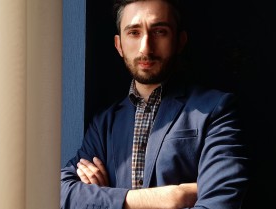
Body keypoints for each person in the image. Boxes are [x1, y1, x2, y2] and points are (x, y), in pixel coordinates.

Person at [61, 0, 249, 208]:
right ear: (119, 45)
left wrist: (105, 200)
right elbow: (59, 193)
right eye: (134, 32)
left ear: (180, 41)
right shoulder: (104, 123)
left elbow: (219, 204)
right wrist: (171, 197)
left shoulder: (216, 109)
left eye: (160, 32)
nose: (146, 47)